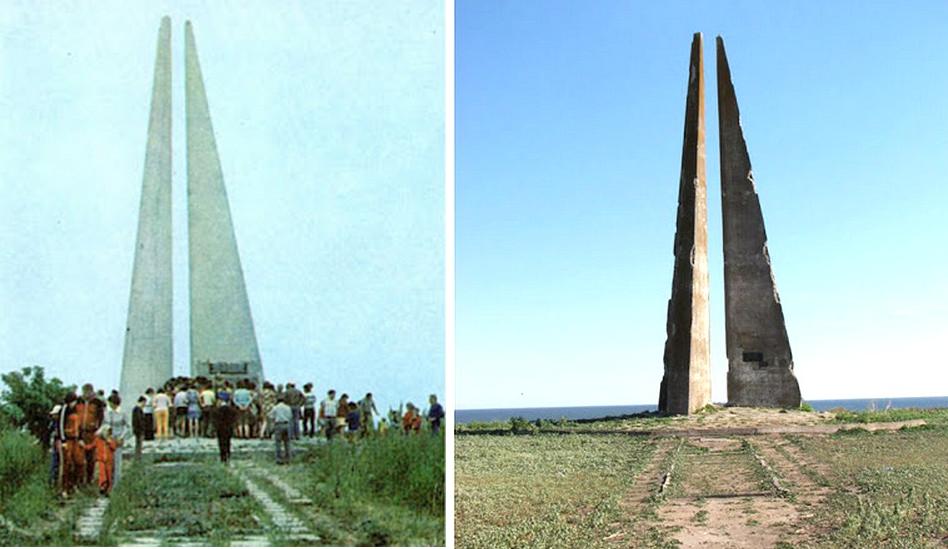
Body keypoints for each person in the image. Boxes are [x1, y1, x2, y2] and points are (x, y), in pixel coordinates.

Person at [76, 383, 105, 485]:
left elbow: (101, 418)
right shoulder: (78, 401)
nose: (86, 394)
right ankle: (79, 480)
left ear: (92, 391)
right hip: (79, 432)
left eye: (88, 391)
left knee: (90, 458)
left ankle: (89, 479)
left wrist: (99, 430)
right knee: (79, 458)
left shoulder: (97, 403)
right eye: (84, 391)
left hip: (91, 433)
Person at [100, 393, 128, 489]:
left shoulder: (122, 413)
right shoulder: (106, 413)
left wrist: (122, 437)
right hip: (108, 439)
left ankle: (117, 484)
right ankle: (108, 484)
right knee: (108, 462)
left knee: (117, 462)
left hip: (118, 439)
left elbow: (127, 426)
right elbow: (103, 425)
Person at [59, 392, 83, 496]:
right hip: (67, 439)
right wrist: (63, 440)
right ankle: (64, 488)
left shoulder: (77, 410)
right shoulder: (64, 409)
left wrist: (81, 438)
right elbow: (60, 425)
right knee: (67, 464)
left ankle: (74, 484)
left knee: (79, 462)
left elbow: (80, 425)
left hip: (76, 439)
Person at [213, 396, 239, 463]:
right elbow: (234, 419)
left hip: (220, 428)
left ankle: (222, 456)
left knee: (221, 442)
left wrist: (215, 428)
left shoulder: (216, 410)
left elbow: (215, 420)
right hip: (228, 428)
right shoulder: (232, 410)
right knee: (228, 442)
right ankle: (228, 454)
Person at [269, 395, 293, 464]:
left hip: (278, 424)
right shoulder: (288, 407)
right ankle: (288, 458)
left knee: (278, 443)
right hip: (286, 424)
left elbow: (271, 416)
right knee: (287, 442)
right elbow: (290, 416)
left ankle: (279, 459)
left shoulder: (275, 407)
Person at [48, 404, 62, 486]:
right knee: (54, 463)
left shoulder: (62, 423)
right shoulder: (53, 423)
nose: (54, 416)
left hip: (60, 444)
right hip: (54, 445)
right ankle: (52, 481)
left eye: (55, 414)